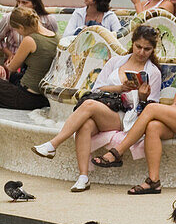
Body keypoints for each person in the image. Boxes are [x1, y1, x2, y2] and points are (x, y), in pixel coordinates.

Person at [91, 34, 176, 195]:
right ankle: (153, 181)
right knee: (153, 126)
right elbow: (174, 106)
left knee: (152, 108)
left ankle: (117, 152)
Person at [33, 24, 162, 192]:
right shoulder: (117, 61)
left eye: (147, 49)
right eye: (138, 47)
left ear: (153, 50)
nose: (141, 52)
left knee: (88, 105)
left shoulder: (153, 72)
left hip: (128, 116)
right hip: (106, 107)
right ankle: (83, 177)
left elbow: (151, 109)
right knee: (85, 124)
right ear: (133, 43)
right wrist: (120, 88)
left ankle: (53, 144)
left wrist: (142, 96)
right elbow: (97, 89)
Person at [0, 4, 58, 110]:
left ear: (21, 27)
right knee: (16, 77)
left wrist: (4, 67)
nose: (19, 34)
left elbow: (11, 68)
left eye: (17, 31)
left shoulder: (30, 40)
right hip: (43, 97)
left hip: (27, 97)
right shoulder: (55, 37)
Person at [0, 0, 58, 66]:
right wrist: (9, 54)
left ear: (34, 4)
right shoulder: (10, 18)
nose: (20, 6)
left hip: (38, 64)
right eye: (18, 2)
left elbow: (53, 42)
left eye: (24, 2)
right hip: (15, 60)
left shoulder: (49, 20)